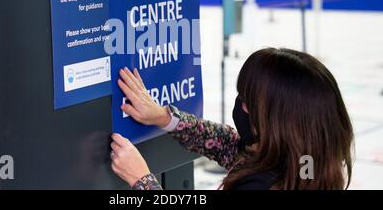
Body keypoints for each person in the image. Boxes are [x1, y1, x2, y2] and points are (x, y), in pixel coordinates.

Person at [110, 48, 354, 190]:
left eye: (247, 102)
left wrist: (141, 180)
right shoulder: (307, 163)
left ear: (277, 124)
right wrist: (165, 117)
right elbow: (229, 146)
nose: (240, 106)